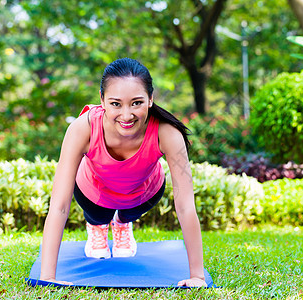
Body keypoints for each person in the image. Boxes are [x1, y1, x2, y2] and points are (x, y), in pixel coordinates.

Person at [39, 57, 206, 288]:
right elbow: (59, 206)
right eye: (116, 104)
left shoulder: (167, 133)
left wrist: (197, 276)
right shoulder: (82, 128)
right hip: (94, 193)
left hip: (143, 193)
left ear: (150, 99)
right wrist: (48, 277)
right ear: (102, 100)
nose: (126, 115)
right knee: (100, 216)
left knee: (126, 214)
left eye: (136, 103)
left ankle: (122, 224)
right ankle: (98, 226)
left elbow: (186, 205)